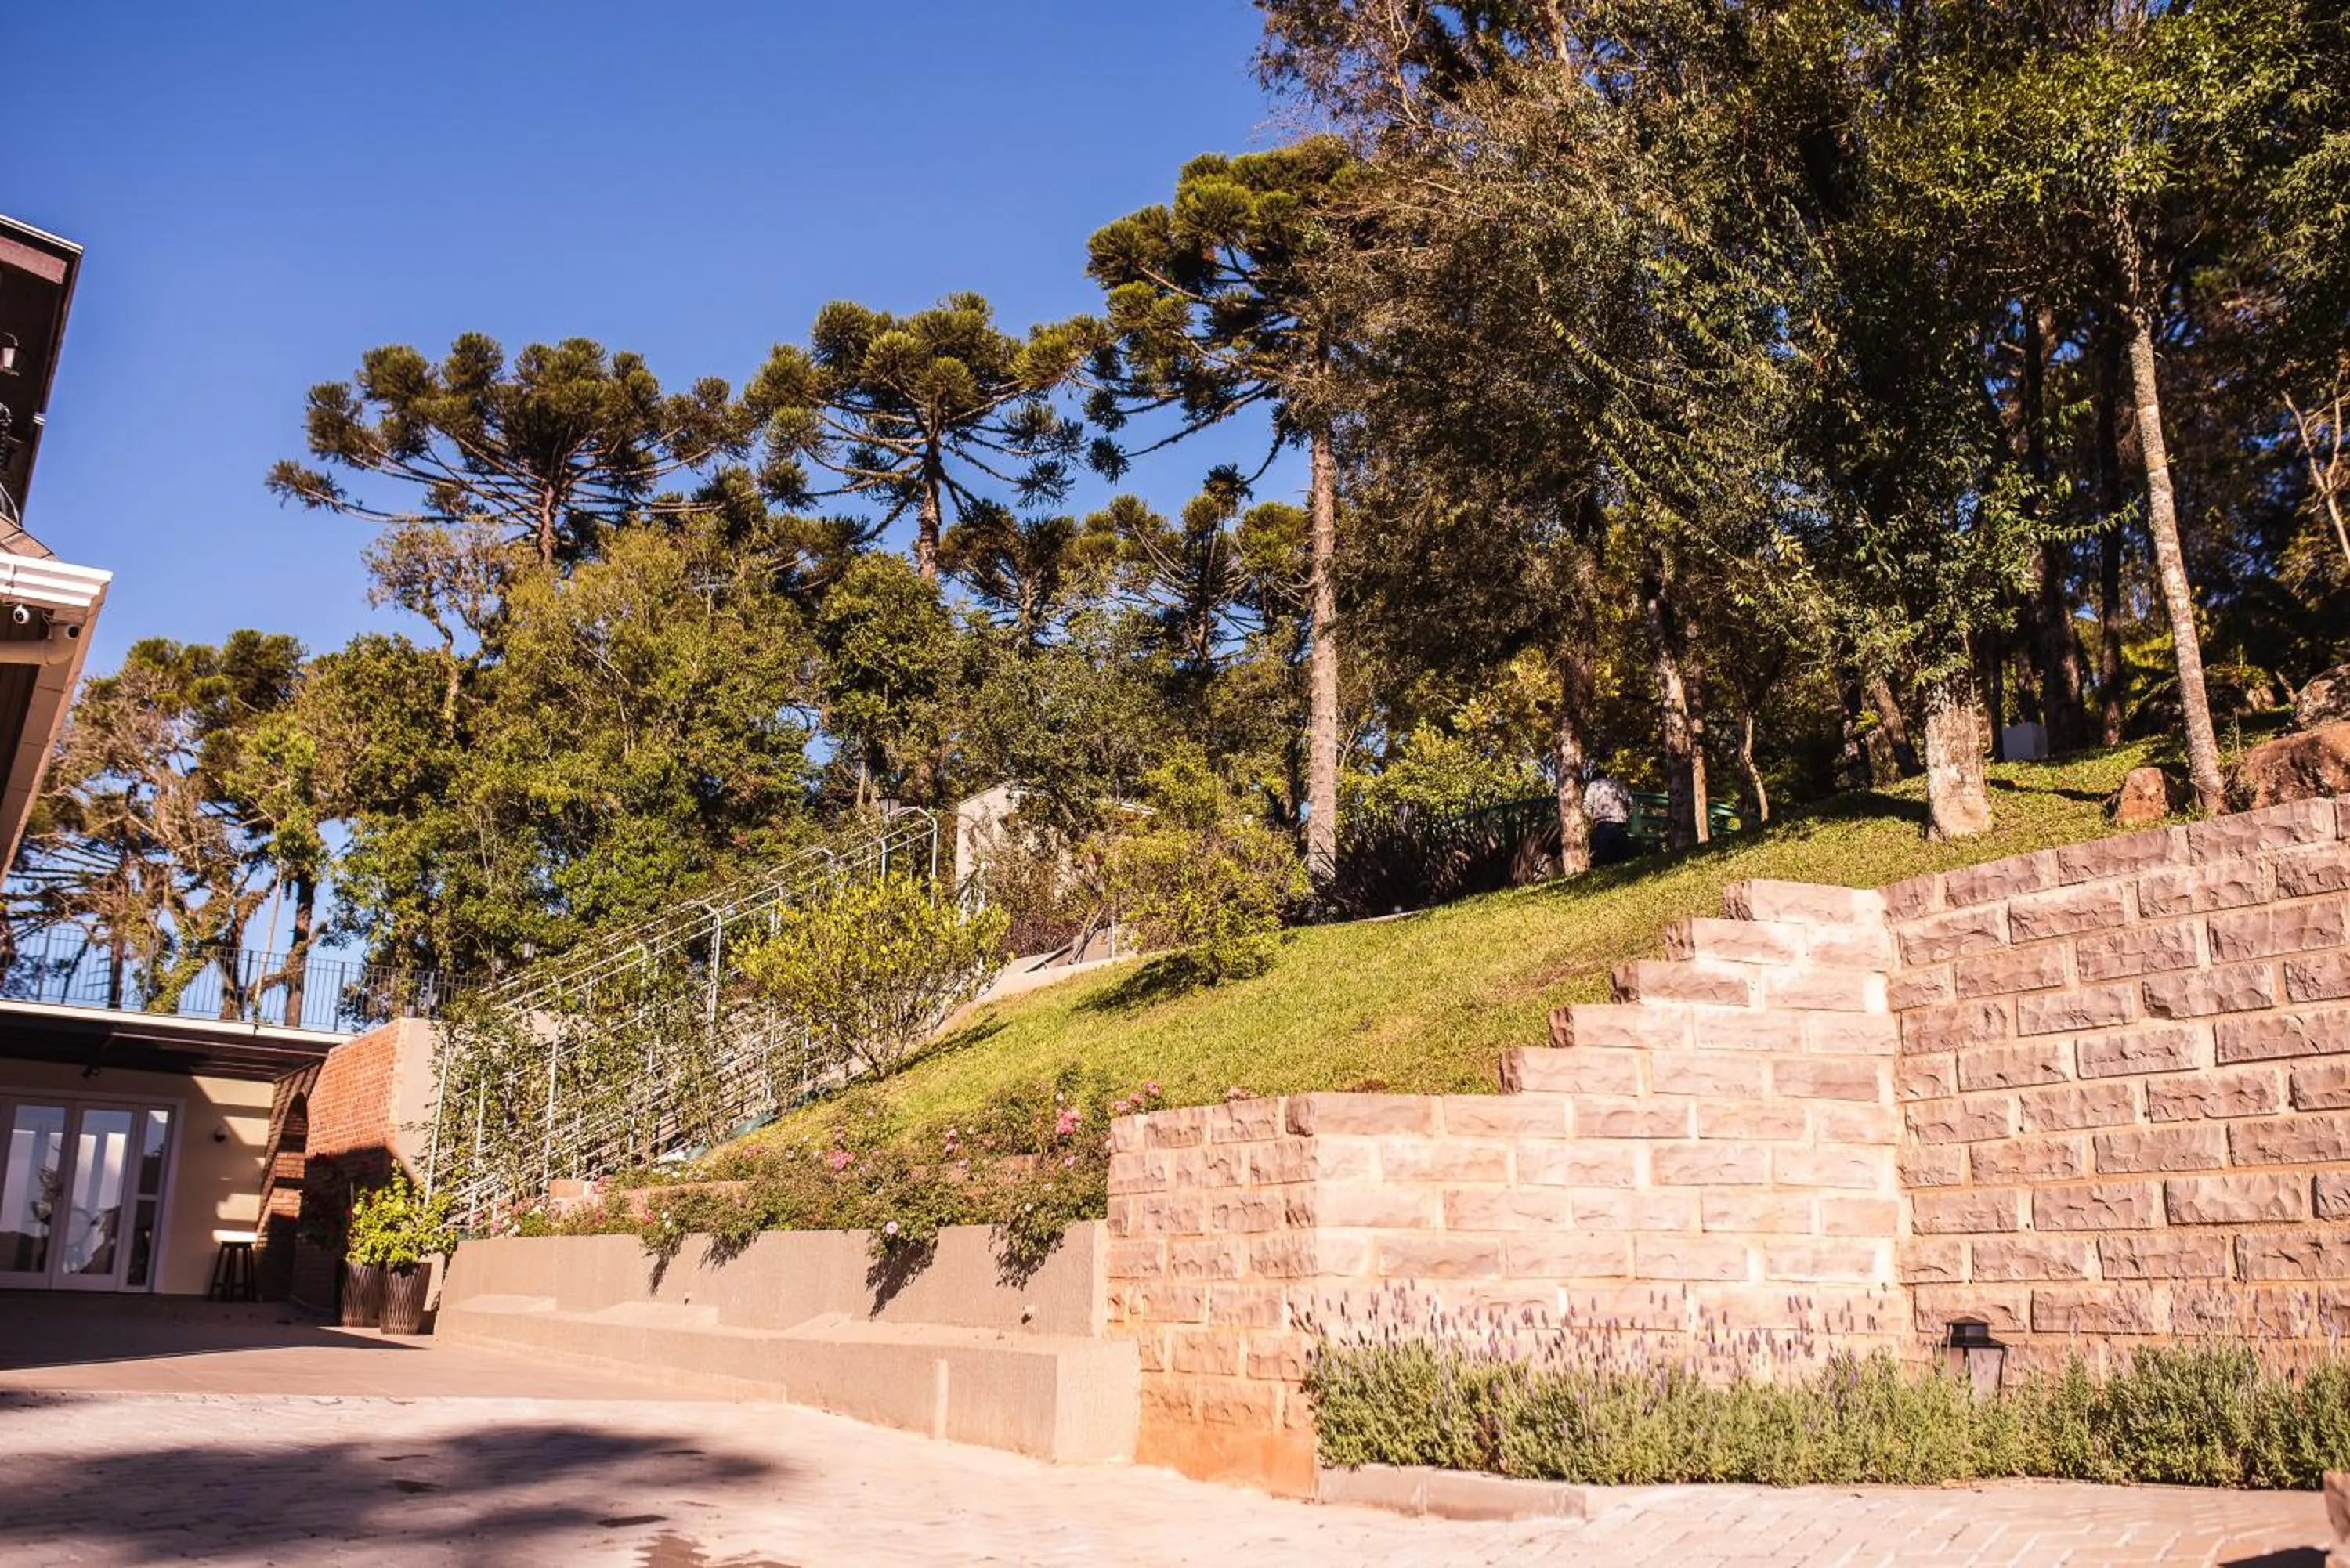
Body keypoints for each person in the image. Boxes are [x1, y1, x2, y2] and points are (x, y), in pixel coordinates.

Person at [1585, 772, 1634, 866]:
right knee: (1621, 858)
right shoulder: (1619, 784)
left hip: (1602, 823)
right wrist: (1627, 817)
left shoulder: (1593, 785)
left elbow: (1587, 807)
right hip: (1620, 824)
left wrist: (1591, 822)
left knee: (1604, 858)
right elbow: (1631, 804)